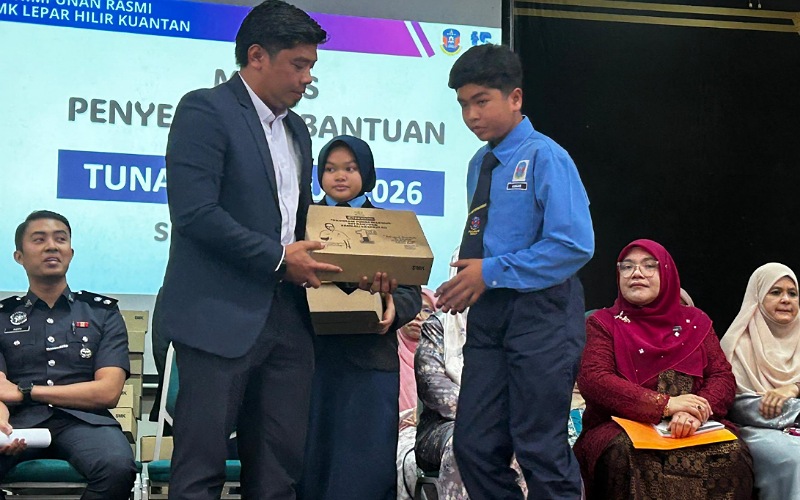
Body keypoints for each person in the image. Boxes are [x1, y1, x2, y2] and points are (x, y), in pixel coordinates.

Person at [159, 2, 344, 498]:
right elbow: (195, 214)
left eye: (312, 66)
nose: (308, 78)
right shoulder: (205, 110)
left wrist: (358, 263)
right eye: (299, 65)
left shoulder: (297, 129)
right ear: (257, 56)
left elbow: (299, 221)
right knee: (200, 472)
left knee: (279, 474)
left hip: (289, 320)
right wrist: (280, 259)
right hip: (217, 318)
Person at [436, 43, 594, 499]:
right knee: (474, 446)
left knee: (540, 448)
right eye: (463, 104)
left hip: (542, 312)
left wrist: (490, 272)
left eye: (481, 101)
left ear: (515, 98)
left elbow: (573, 245)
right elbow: (485, 242)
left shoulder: (547, 157)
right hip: (490, 314)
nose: (471, 115)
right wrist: (467, 281)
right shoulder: (478, 164)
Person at [574, 239, 753, 499]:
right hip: (623, 426)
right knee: (624, 453)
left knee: (733, 453)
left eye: (649, 266)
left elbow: (721, 376)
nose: (637, 273)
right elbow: (594, 379)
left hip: (695, 426)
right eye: (627, 266)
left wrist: (695, 412)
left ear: (667, 273)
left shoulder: (697, 321)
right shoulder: (603, 323)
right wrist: (666, 405)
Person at [299, 135, 421, 500]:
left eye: (350, 168)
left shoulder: (390, 226)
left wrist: (392, 306)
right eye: (330, 169)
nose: (340, 176)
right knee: (310, 464)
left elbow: (411, 292)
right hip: (311, 363)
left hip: (370, 364)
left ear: (366, 173)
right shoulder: (301, 223)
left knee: (363, 470)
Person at [0, 210, 136, 499]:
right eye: (39, 239)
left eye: (60, 239)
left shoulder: (102, 313)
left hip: (85, 421)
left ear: (70, 253)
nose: (52, 246)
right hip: (17, 422)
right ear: (19, 256)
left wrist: (27, 391)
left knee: (117, 467)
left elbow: (108, 392)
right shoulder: (2, 316)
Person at [721, 263, 800, 500]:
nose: (786, 300)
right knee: (792, 457)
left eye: (792, 293)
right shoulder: (736, 345)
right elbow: (739, 407)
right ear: (757, 297)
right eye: (775, 292)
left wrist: (794, 388)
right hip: (757, 430)